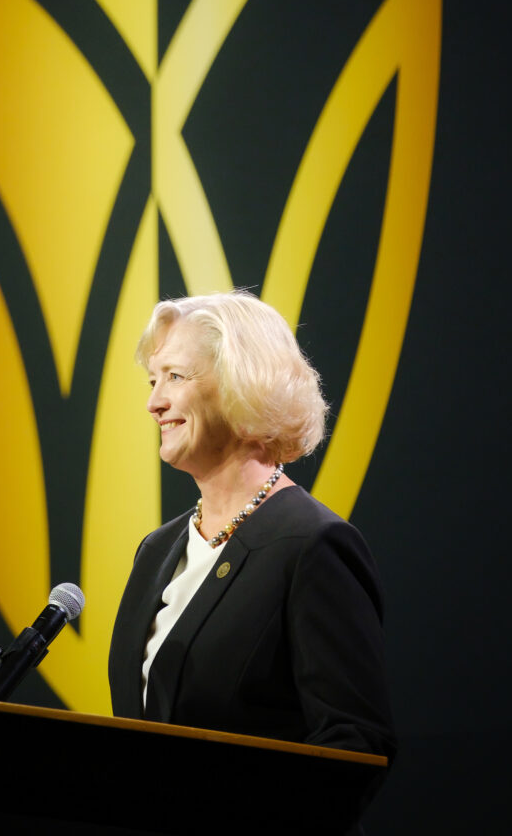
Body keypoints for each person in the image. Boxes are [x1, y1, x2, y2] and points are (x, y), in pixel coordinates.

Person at [108, 291, 396, 764]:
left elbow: (355, 743)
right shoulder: (156, 550)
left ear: (245, 384)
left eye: (175, 377)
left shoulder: (313, 546)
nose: (153, 403)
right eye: (152, 380)